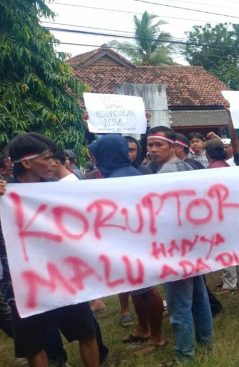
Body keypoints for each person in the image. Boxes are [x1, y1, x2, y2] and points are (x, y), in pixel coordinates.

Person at [3, 133, 101, 367]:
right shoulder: (5, 194)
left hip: (65, 276)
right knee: (35, 344)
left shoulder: (57, 193)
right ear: (26, 163)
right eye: (47, 158)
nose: (53, 163)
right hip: (24, 282)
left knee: (86, 332)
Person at [89, 134, 167, 354]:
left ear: (107, 154)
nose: (93, 158)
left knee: (147, 290)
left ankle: (157, 337)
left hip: (136, 243)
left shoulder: (123, 178)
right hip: (127, 242)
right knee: (135, 289)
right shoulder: (120, 174)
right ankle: (143, 329)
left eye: (97, 153)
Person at [146, 126, 213, 363]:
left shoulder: (165, 175)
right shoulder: (188, 166)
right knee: (198, 296)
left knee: (179, 303)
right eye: (150, 145)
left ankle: (185, 355)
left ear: (174, 146)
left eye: (158, 145)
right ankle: (206, 343)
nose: (153, 150)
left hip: (176, 247)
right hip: (193, 243)